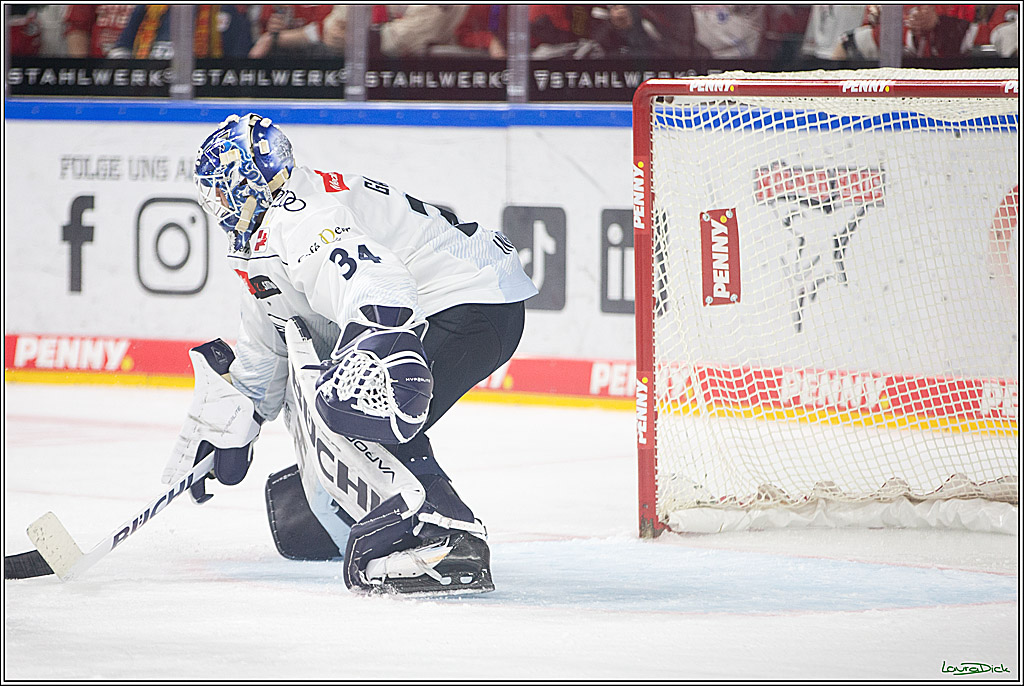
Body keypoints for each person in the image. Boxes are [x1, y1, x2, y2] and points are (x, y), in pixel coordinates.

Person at [164, 113, 537, 596]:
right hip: (455, 301)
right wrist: (232, 427)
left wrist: (381, 344)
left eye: (217, 191)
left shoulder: (300, 216)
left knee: (363, 402)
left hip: (471, 300)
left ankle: (449, 539)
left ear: (243, 183)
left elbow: (373, 278)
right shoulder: (264, 234)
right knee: (347, 396)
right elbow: (269, 341)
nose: (215, 205)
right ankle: (345, 507)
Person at [109, 4, 252, 59]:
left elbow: (236, 64)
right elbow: (121, 50)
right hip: (145, 91)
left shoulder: (224, 11)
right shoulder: (147, 8)